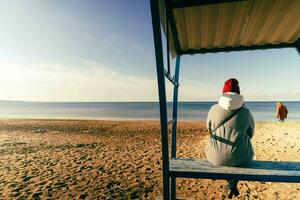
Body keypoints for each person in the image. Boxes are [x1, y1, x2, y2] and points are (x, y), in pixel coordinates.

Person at [205, 78, 255, 199]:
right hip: (241, 157)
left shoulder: (213, 109)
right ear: (238, 93)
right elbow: (251, 133)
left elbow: (209, 129)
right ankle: (232, 185)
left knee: (224, 156)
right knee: (238, 154)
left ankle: (231, 185)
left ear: (223, 93)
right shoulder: (246, 111)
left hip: (215, 156)